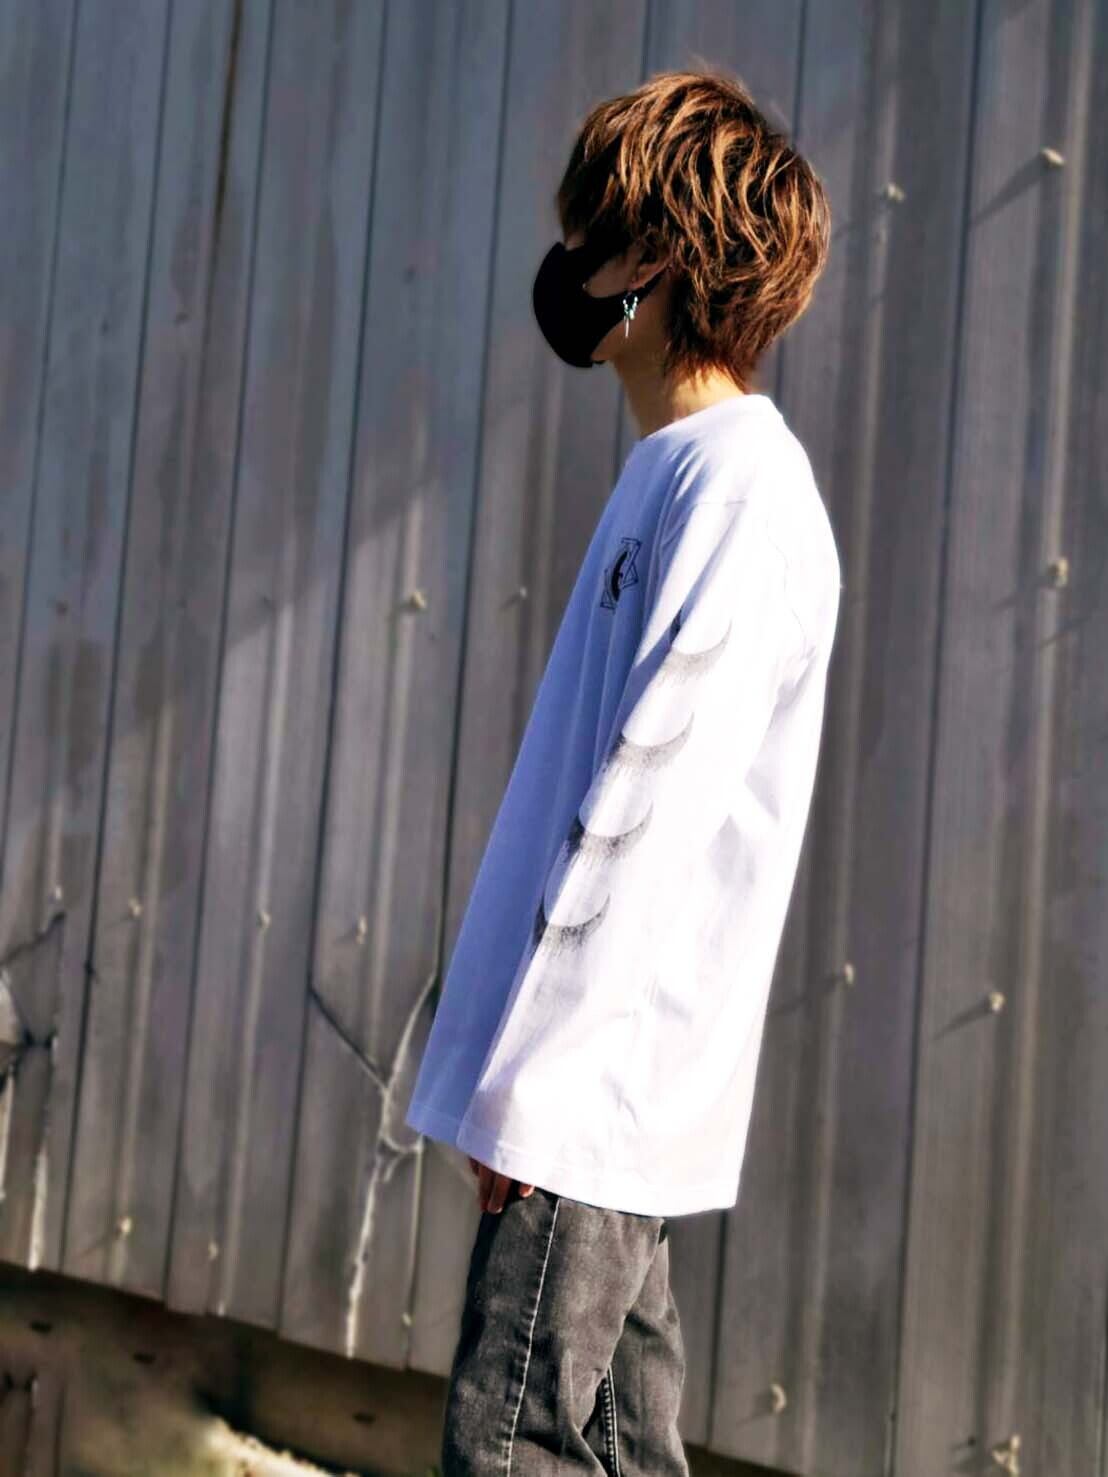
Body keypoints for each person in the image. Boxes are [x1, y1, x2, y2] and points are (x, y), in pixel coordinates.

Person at [403, 67, 841, 1475]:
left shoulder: (741, 491)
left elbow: (656, 797)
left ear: (655, 258)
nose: (570, 262)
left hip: (595, 1087)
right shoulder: (673, 472)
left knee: (514, 1446)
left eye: (594, 231)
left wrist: (535, 1078)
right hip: (596, 1084)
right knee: (621, 1449)